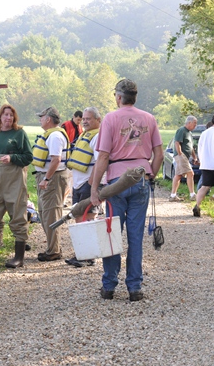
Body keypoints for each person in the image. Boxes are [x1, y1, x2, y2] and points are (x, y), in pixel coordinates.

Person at [90, 78, 163, 302]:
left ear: (119, 97)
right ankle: (134, 287)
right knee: (135, 236)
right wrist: (152, 174)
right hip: (140, 179)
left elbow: (103, 156)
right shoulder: (149, 119)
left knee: (112, 235)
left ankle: (109, 285)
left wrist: (95, 188)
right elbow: (159, 154)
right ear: (135, 97)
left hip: (116, 182)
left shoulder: (111, 119)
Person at [0, 104, 33, 268]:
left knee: (17, 214)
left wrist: (13, 158)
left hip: (14, 179)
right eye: (5, 115)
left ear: (14, 117)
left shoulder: (19, 133)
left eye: (11, 115)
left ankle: (19, 257)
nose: (8, 118)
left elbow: (28, 157)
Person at [65, 106, 103, 267]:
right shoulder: (85, 135)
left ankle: (88, 255)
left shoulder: (97, 137)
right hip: (79, 183)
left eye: (89, 119)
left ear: (98, 120)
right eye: (84, 119)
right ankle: (82, 253)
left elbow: (100, 160)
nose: (85, 121)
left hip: (88, 184)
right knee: (79, 218)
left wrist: (93, 183)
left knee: (88, 218)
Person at [33, 106, 70, 262]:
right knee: (45, 213)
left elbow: (56, 160)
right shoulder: (53, 134)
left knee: (50, 213)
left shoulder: (54, 136)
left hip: (52, 178)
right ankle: (53, 248)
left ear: (48, 119)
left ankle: (53, 250)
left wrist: (46, 179)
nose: (40, 120)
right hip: (48, 177)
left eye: (41, 117)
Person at [170, 116, 199, 202]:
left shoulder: (189, 133)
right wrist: (180, 154)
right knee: (190, 173)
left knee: (178, 175)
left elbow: (190, 147)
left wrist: (195, 157)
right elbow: (177, 143)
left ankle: (173, 195)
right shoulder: (181, 130)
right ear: (189, 123)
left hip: (186, 156)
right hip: (181, 156)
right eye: (194, 124)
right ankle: (192, 194)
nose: (195, 126)